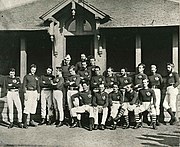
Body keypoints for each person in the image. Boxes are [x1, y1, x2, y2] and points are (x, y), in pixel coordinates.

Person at [22, 64, 40, 128]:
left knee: (33, 106)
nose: (33, 71)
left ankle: (31, 121)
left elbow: (38, 86)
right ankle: (25, 123)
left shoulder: (36, 77)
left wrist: (38, 94)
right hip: (29, 92)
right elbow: (24, 85)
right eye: (32, 69)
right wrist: (25, 93)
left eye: (34, 70)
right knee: (27, 107)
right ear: (30, 69)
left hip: (34, 92)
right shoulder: (26, 76)